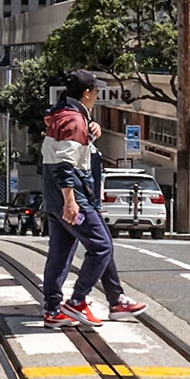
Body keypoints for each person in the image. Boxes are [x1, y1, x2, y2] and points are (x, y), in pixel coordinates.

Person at [39, 70, 147, 326]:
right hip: (74, 197)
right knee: (101, 246)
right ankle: (77, 302)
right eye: (96, 92)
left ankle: (54, 310)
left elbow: (67, 152)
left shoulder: (65, 117)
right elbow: (65, 163)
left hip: (57, 198)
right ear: (87, 93)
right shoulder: (74, 122)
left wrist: (91, 132)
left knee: (61, 253)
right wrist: (71, 201)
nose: (97, 96)